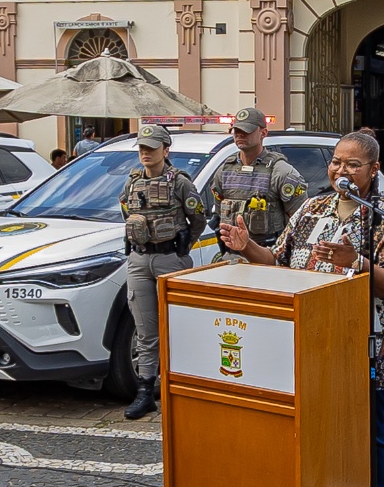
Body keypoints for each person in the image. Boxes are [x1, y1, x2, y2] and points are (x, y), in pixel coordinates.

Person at [230, 130, 384, 487]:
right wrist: (247, 246)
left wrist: (358, 262)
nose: (340, 170)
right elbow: (277, 260)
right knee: (317, 428)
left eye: (352, 164)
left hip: (367, 341)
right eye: (336, 162)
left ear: (373, 170)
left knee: (367, 428)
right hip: (311, 340)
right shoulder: (312, 209)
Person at [118, 122, 206, 420]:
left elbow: (198, 217)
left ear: (165, 150)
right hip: (140, 260)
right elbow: (126, 213)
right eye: (142, 148)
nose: (145, 153)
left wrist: (184, 247)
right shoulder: (131, 182)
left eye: (151, 148)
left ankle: (182, 387)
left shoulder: (179, 182)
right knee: (145, 331)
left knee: (179, 327)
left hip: (171, 258)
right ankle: (145, 391)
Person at [201, 107, 309, 262]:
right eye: (236, 130)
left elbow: (300, 221)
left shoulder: (281, 172)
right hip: (231, 257)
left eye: (246, 131)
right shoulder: (225, 170)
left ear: (263, 133)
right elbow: (219, 211)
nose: (239, 135)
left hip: (266, 258)